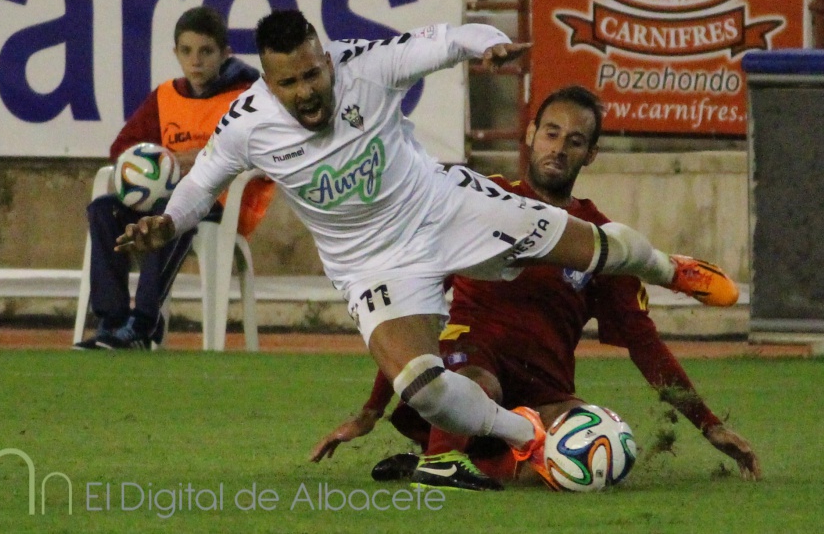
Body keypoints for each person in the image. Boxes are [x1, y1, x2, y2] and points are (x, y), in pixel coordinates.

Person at [114, 11, 739, 489]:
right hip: (371, 265)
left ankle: (672, 268)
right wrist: (167, 223)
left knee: (594, 246)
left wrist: (488, 43)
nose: (306, 92)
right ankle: (529, 439)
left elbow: (448, 40)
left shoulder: (366, 65)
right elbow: (200, 185)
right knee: (420, 384)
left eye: (312, 74)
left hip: (442, 209)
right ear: (267, 82)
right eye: (289, 83)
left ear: (326, 59)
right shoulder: (246, 123)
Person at [308, 86, 761, 490]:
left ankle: (473, 463)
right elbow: (410, 310)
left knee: (603, 446)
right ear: (530, 134)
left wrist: (709, 425)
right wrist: (371, 410)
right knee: (477, 384)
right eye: (551, 133)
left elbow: (645, 344)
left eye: (575, 141)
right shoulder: (478, 203)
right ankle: (442, 461)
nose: (558, 149)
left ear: (591, 154)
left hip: (544, 392)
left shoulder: (599, 242)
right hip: (470, 364)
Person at [75, 6, 274, 350]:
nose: (195, 61)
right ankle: (113, 322)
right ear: (175, 53)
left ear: (225, 53)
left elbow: (267, 148)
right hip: (167, 196)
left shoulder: (246, 95)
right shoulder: (167, 96)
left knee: (170, 211)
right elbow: (122, 148)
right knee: (104, 210)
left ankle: (144, 324)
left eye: (206, 51)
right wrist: (158, 161)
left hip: (223, 202)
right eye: (186, 51)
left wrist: (204, 158)